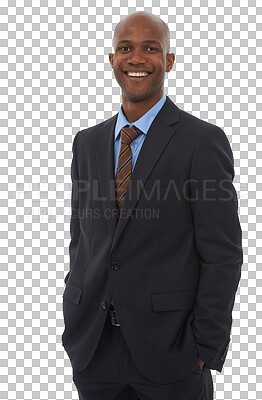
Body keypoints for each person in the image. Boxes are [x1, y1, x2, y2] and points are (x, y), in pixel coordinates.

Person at [62, 11, 243, 400]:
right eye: (125, 48)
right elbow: (82, 239)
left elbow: (222, 255)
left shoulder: (202, 141)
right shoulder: (87, 143)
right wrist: (72, 313)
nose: (137, 58)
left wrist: (202, 350)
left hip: (171, 354)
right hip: (93, 352)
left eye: (151, 48)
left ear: (170, 61)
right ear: (111, 59)